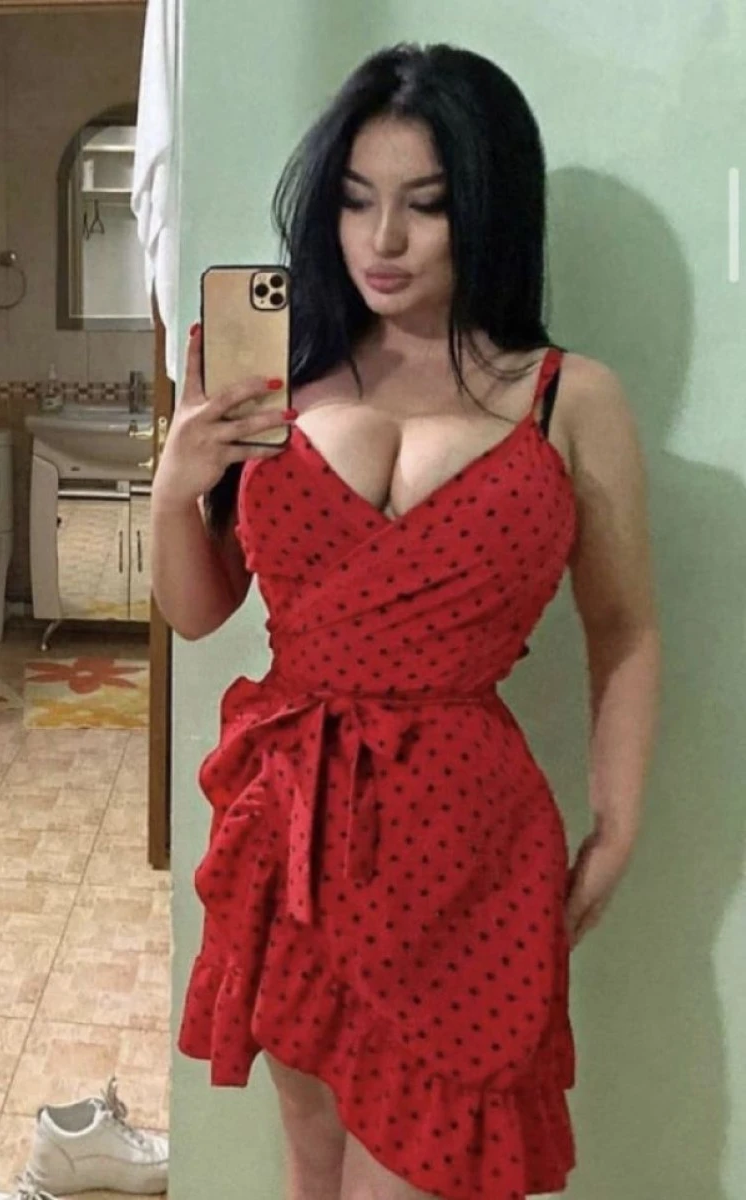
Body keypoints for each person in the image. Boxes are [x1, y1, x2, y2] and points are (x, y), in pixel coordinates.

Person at [152, 41, 660, 1200]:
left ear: (487, 207)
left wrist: (618, 826)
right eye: (354, 199)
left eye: (424, 205)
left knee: (419, 1167)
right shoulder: (274, 374)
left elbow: (623, 625)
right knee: (311, 1155)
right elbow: (198, 612)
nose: (382, 239)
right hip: (290, 826)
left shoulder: (567, 398)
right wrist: (175, 486)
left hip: (464, 846)